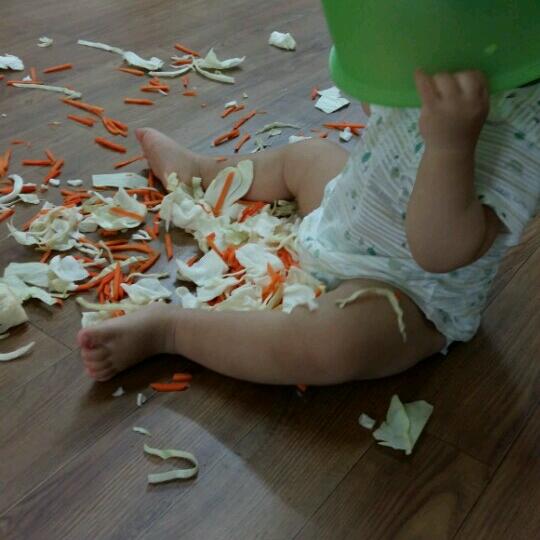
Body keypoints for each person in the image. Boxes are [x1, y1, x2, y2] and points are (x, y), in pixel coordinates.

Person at [78, 69, 539, 384]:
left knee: (333, 345)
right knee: (309, 155)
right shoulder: (438, 49)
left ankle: (172, 331)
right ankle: (202, 171)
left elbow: (438, 251)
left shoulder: (528, 120)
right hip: (346, 213)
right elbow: (379, 109)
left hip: (406, 291)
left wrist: (451, 145)